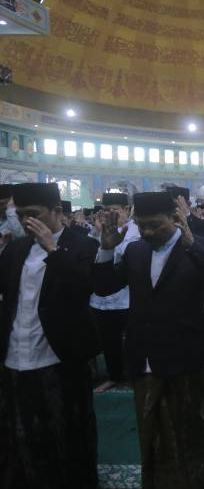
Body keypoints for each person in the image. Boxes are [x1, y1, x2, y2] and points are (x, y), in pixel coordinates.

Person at [93, 191, 204, 489]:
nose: (148, 232)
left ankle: (196, 481)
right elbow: (104, 287)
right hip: (144, 354)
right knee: (151, 429)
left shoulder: (201, 246)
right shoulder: (135, 250)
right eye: (142, 225)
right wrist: (106, 250)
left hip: (185, 356)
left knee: (190, 427)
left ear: (175, 218)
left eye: (155, 225)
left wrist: (192, 246)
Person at [0, 182, 101, 488]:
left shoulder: (83, 246)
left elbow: (85, 288)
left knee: (66, 433)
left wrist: (53, 251)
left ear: (57, 211)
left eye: (33, 214)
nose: (26, 221)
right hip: (16, 354)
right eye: (20, 215)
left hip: (60, 357)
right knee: (20, 433)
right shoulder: (16, 249)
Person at [90, 192, 140, 393]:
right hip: (101, 297)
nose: (110, 214)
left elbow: (125, 258)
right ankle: (114, 375)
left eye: (115, 210)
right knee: (109, 339)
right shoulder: (95, 231)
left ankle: (135, 374)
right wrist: (99, 235)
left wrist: (111, 244)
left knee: (133, 338)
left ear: (126, 210)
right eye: (106, 210)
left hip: (127, 296)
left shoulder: (135, 231)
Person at [0, 183, 25, 253]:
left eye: (8, 203)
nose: (6, 206)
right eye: (1, 204)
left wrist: (10, 211)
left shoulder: (16, 216)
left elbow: (20, 236)